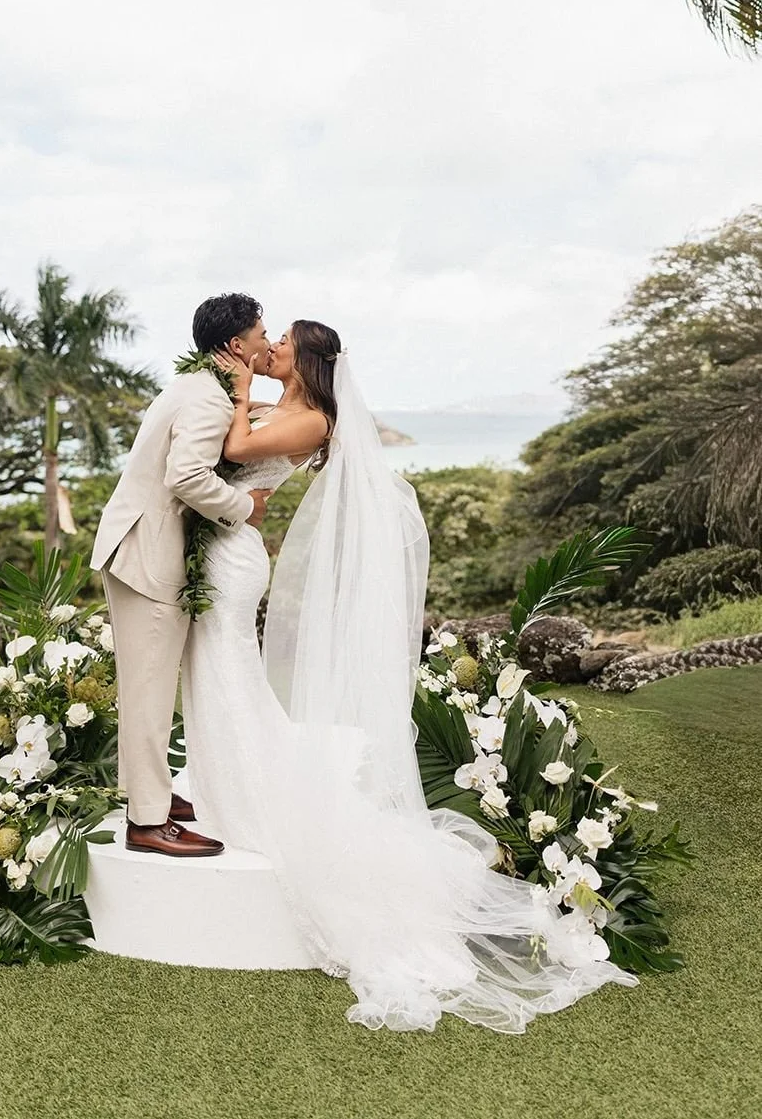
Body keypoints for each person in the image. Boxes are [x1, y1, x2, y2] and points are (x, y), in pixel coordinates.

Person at [175, 318, 639, 1033]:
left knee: (229, 669)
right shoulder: (290, 407)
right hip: (229, 547)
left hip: (234, 562)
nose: (271, 347)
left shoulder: (311, 417)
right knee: (222, 674)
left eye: (282, 341)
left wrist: (235, 387)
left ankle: (244, 794)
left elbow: (235, 448)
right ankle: (217, 779)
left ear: (306, 359)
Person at [90, 293, 274, 857]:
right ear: (236, 345)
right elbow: (187, 474)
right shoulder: (209, 401)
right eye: (262, 335)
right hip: (147, 556)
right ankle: (147, 823)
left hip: (141, 547)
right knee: (147, 689)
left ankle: (153, 795)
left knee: (148, 684)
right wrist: (246, 509)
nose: (268, 344)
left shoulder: (201, 388)